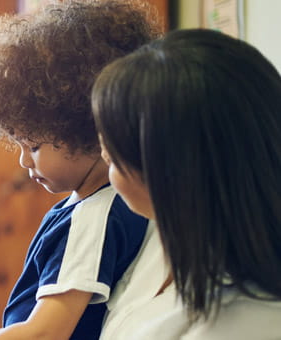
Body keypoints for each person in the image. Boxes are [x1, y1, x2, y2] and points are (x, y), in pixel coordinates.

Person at [0, 0, 159, 338]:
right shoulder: (88, 208)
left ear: (89, 130)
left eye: (33, 146)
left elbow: (46, 332)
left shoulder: (93, 218)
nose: (23, 161)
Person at [93, 28, 281, 339]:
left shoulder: (249, 320)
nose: (104, 158)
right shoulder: (166, 235)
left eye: (112, 154)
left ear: (169, 169)